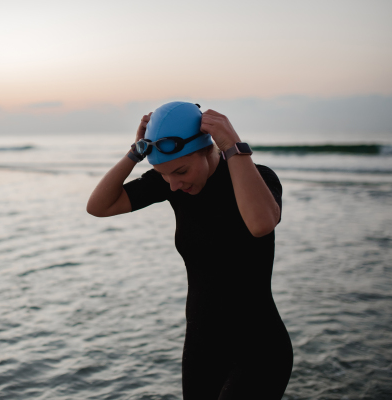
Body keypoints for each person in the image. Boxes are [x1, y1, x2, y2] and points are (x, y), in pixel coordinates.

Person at [86, 102, 293, 399]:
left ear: (208, 148)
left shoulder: (258, 178)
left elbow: (261, 224)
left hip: (258, 348)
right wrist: (134, 153)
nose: (173, 184)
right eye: (164, 174)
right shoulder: (174, 184)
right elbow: (99, 206)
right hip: (201, 349)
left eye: (180, 171)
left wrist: (234, 147)